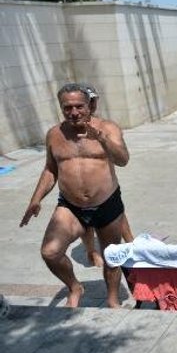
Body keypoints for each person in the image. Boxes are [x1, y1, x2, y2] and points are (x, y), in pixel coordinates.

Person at [20, 82, 130, 308]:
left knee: (111, 258)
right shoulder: (55, 134)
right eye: (67, 108)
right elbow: (51, 169)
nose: (74, 112)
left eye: (79, 106)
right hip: (71, 207)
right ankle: (74, 286)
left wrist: (102, 139)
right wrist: (36, 199)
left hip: (106, 203)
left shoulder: (108, 128)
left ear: (89, 105)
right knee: (50, 252)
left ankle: (112, 299)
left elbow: (123, 160)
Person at [77, 84, 135, 267]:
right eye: (89, 101)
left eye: (94, 101)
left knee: (118, 212)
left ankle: (131, 242)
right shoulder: (71, 127)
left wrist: (103, 138)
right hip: (79, 189)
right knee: (85, 222)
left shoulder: (105, 126)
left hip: (106, 184)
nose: (92, 104)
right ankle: (91, 251)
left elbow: (121, 156)